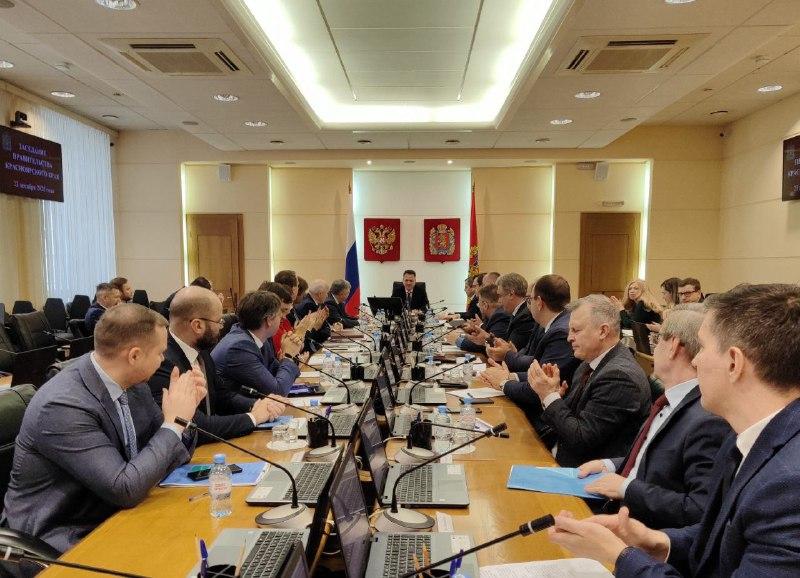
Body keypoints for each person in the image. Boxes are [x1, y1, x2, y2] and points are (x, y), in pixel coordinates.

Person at [548, 284, 800, 577]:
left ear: (734, 363)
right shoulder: (746, 437)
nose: (695, 360)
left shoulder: (788, 485)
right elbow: (722, 541)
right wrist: (657, 541)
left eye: (703, 347)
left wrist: (620, 556)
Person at [1, 304, 205, 553]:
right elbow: (124, 489)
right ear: (134, 356)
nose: (164, 359)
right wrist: (174, 423)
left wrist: (184, 416)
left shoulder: (134, 382)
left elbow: (171, 455)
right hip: (61, 536)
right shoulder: (62, 405)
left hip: (117, 513)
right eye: (161, 353)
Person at [576, 304, 731, 529]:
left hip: (641, 532)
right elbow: (657, 460)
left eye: (657, 341)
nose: (653, 349)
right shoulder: (670, 400)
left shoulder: (707, 419)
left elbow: (699, 509)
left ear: (673, 346)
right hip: (617, 512)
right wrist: (608, 464)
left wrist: (627, 488)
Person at [148, 286, 285, 443]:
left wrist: (258, 404)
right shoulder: (163, 363)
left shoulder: (201, 351)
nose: (222, 327)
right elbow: (195, 425)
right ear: (197, 325)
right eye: (219, 322)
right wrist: (253, 417)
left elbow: (223, 395)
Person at [528, 294, 651, 467]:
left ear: (603, 331)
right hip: (557, 451)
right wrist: (556, 396)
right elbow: (573, 419)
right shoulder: (589, 363)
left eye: (576, 330)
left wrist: (548, 396)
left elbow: (580, 439)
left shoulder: (619, 377)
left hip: (583, 471)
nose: (569, 337)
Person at [480, 275, 579, 422]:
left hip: (548, 417)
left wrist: (503, 382)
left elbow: (539, 386)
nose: (528, 305)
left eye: (529, 299)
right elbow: (536, 365)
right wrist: (511, 376)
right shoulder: (549, 324)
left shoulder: (560, 332)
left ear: (539, 302)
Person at [212, 291, 302, 397]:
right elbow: (277, 392)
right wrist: (288, 356)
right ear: (269, 320)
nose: (282, 317)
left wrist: (286, 357)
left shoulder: (259, 339)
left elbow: (276, 373)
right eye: (279, 314)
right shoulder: (239, 348)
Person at [455, 284, 510, 354]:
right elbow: (484, 336)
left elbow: (486, 345)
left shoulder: (500, 317)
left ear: (485, 305)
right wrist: (477, 328)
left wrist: (456, 339)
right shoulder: (491, 316)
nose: (478, 306)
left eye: (479, 303)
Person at [495, 273, 536, 351]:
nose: (498, 301)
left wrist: (486, 339)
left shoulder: (525, 317)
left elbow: (510, 349)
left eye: (500, 296)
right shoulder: (517, 312)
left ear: (511, 294)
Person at [295, 279, 335, 348]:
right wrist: (330, 330)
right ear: (320, 294)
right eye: (326, 293)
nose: (327, 296)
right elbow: (317, 331)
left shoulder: (313, 302)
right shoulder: (309, 305)